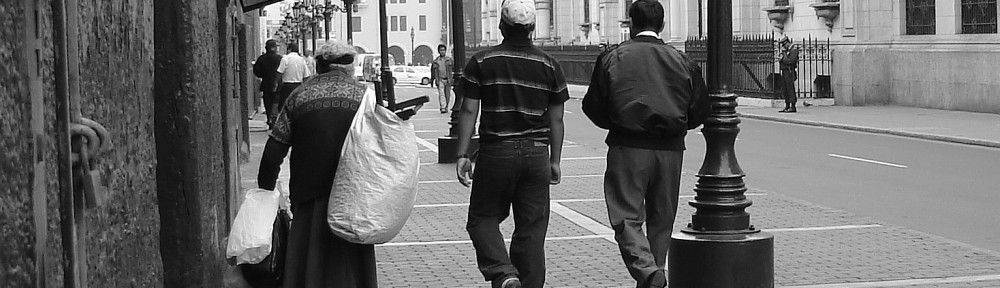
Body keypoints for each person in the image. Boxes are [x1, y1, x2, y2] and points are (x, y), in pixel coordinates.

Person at [581, 1, 710, 287]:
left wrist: (616, 122)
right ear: (661, 25)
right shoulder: (681, 60)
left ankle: (648, 271)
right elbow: (700, 108)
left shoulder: (613, 57)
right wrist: (678, 125)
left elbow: (593, 105)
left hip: (628, 145)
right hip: (670, 148)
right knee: (662, 217)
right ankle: (655, 271)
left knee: (626, 215)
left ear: (631, 23)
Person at [454, 1, 568, 287]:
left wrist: (462, 153)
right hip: (537, 154)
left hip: (497, 151)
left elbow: (468, 110)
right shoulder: (549, 64)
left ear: (501, 27)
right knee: (531, 228)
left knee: (482, 218)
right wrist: (555, 160)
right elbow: (556, 120)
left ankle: (503, 272)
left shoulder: (482, 61)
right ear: (532, 29)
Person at [257, 41, 377, 288]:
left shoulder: (300, 96)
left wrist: (265, 189)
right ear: (349, 67)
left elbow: (274, 149)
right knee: (351, 264)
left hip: (309, 194)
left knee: (308, 260)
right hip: (353, 196)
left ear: (319, 66)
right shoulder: (366, 97)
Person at [253, 39, 283, 129]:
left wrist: (263, 75)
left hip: (266, 84)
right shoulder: (279, 58)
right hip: (278, 85)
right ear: (274, 48)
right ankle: (275, 120)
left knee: (268, 103)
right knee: (277, 103)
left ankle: (269, 119)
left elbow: (257, 72)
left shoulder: (261, 59)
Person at [275, 44, 312, 115]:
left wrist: (276, 83)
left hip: (287, 86)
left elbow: (279, 72)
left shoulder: (285, 58)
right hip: (298, 86)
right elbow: (307, 76)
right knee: (297, 105)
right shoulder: (302, 60)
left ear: (289, 50)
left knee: (283, 106)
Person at [431, 44, 455, 113]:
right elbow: (432, 71)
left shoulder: (449, 60)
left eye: (443, 50)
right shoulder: (436, 61)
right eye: (441, 50)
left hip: (448, 79)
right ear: (439, 51)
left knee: (447, 94)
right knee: (441, 94)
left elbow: (454, 69)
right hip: (440, 79)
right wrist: (432, 80)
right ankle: (443, 107)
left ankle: (446, 106)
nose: (442, 52)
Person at [778, 35, 799, 113]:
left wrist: (783, 58)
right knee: (785, 89)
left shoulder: (793, 50)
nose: (783, 46)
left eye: (784, 44)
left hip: (789, 71)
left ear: (787, 43)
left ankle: (793, 106)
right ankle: (787, 105)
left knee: (790, 88)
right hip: (784, 71)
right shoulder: (786, 51)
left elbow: (791, 61)